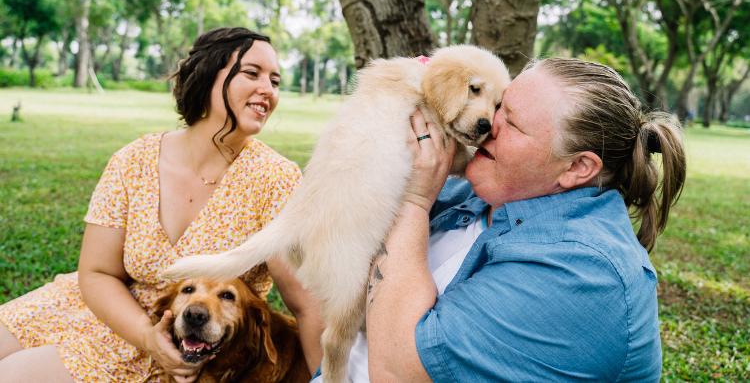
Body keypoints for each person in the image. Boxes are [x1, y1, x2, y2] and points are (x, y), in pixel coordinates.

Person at [315, 57, 686, 382]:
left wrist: (412, 200)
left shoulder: (585, 274)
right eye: (499, 106)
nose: (489, 124)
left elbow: (397, 373)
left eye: (514, 124)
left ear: (577, 168)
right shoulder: (482, 194)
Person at [0, 28, 324, 383]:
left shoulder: (276, 180)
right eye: (252, 73)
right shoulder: (133, 160)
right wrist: (144, 335)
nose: (269, 90)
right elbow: (96, 272)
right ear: (207, 74)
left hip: (187, 345)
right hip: (100, 308)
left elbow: (308, 305)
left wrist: (327, 378)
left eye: (275, 80)